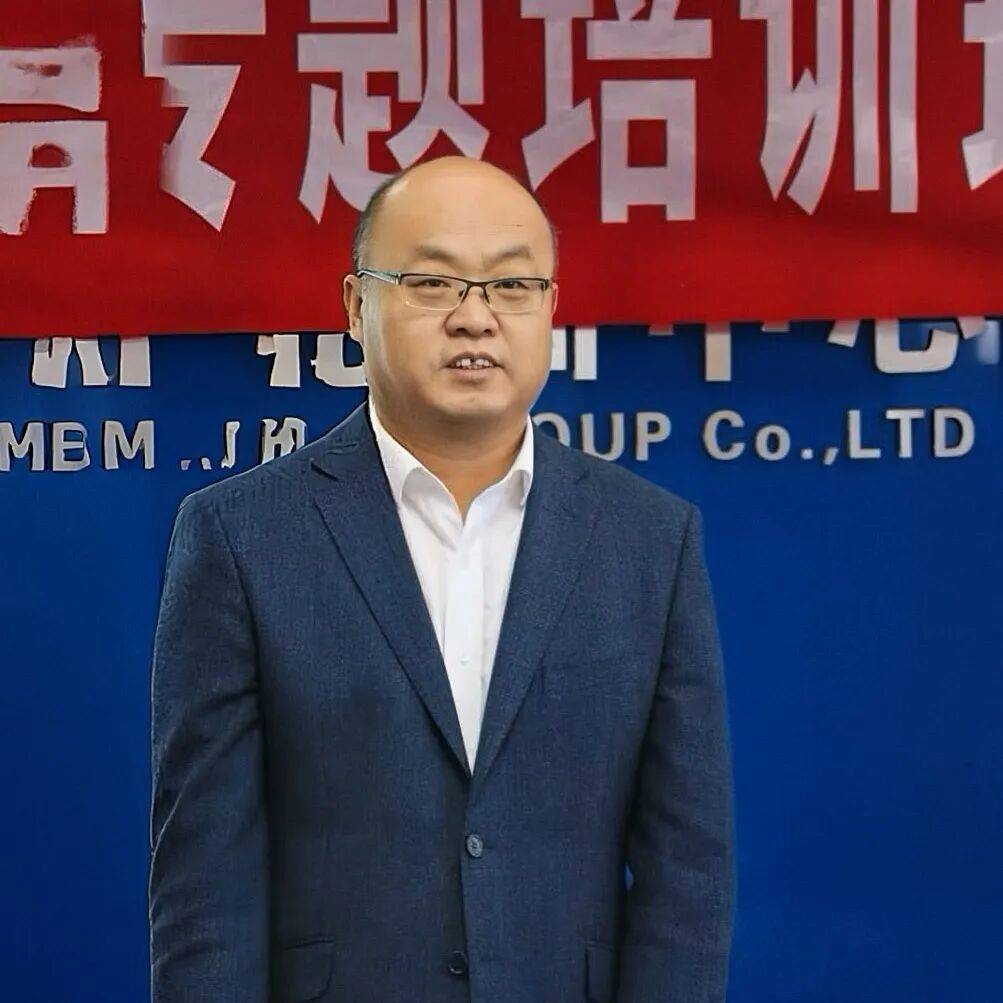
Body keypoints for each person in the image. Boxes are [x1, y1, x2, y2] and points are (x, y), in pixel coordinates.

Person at [148, 155, 735, 1003]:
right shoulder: (241, 535)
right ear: (356, 306)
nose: (474, 317)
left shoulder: (648, 538)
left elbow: (688, 868)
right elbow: (205, 879)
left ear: (550, 308)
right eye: (431, 283)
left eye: (511, 286)